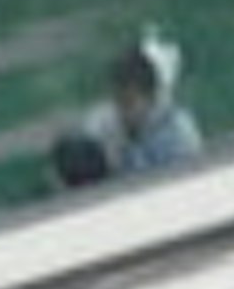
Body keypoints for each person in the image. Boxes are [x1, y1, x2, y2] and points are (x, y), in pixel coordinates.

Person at [55, 35, 201, 189]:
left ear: (151, 98)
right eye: (117, 100)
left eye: (128, 102)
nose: (120, 111)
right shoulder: (103, 120)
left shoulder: (178, 136)